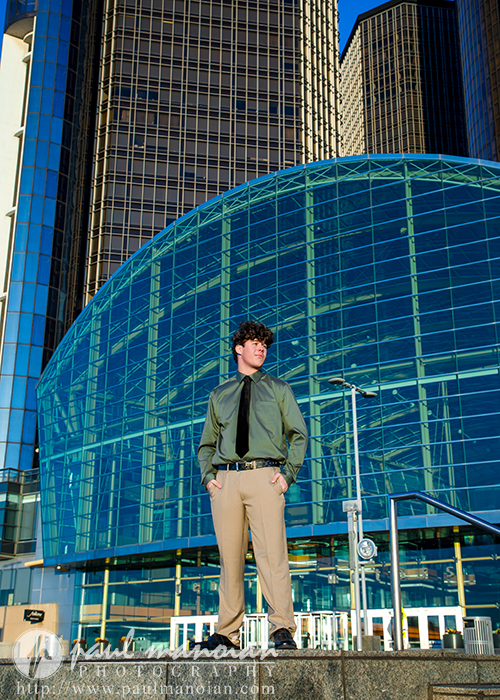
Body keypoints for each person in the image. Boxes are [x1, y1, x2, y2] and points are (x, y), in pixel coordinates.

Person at [196, 320, 308, 651]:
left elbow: (299, 435)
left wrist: (286, 476)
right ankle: (226, 633)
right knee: (229, 560)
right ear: (238, 349)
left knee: (272, 557)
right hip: (226, 481)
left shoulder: (279, 389)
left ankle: (282, 629)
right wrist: (210, 479)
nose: (261, 348)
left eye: (265, 344)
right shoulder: (219, 395)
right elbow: (206, 444)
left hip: (265, 477)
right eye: (255, 343)